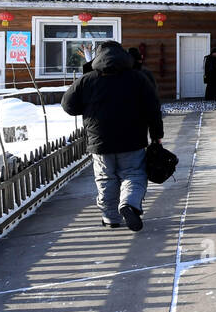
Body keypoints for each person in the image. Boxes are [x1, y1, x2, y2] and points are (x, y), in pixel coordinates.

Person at [61, 40, 163, 231]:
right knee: (134, 174)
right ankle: (129, 204)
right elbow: (153, 109)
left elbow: (68, 105)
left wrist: (88, 107)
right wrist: (157, 135)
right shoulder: (138, 78)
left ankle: (110, 218)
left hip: (100, 141)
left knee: (105, 178)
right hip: (132, 140)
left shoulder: (87, 80)